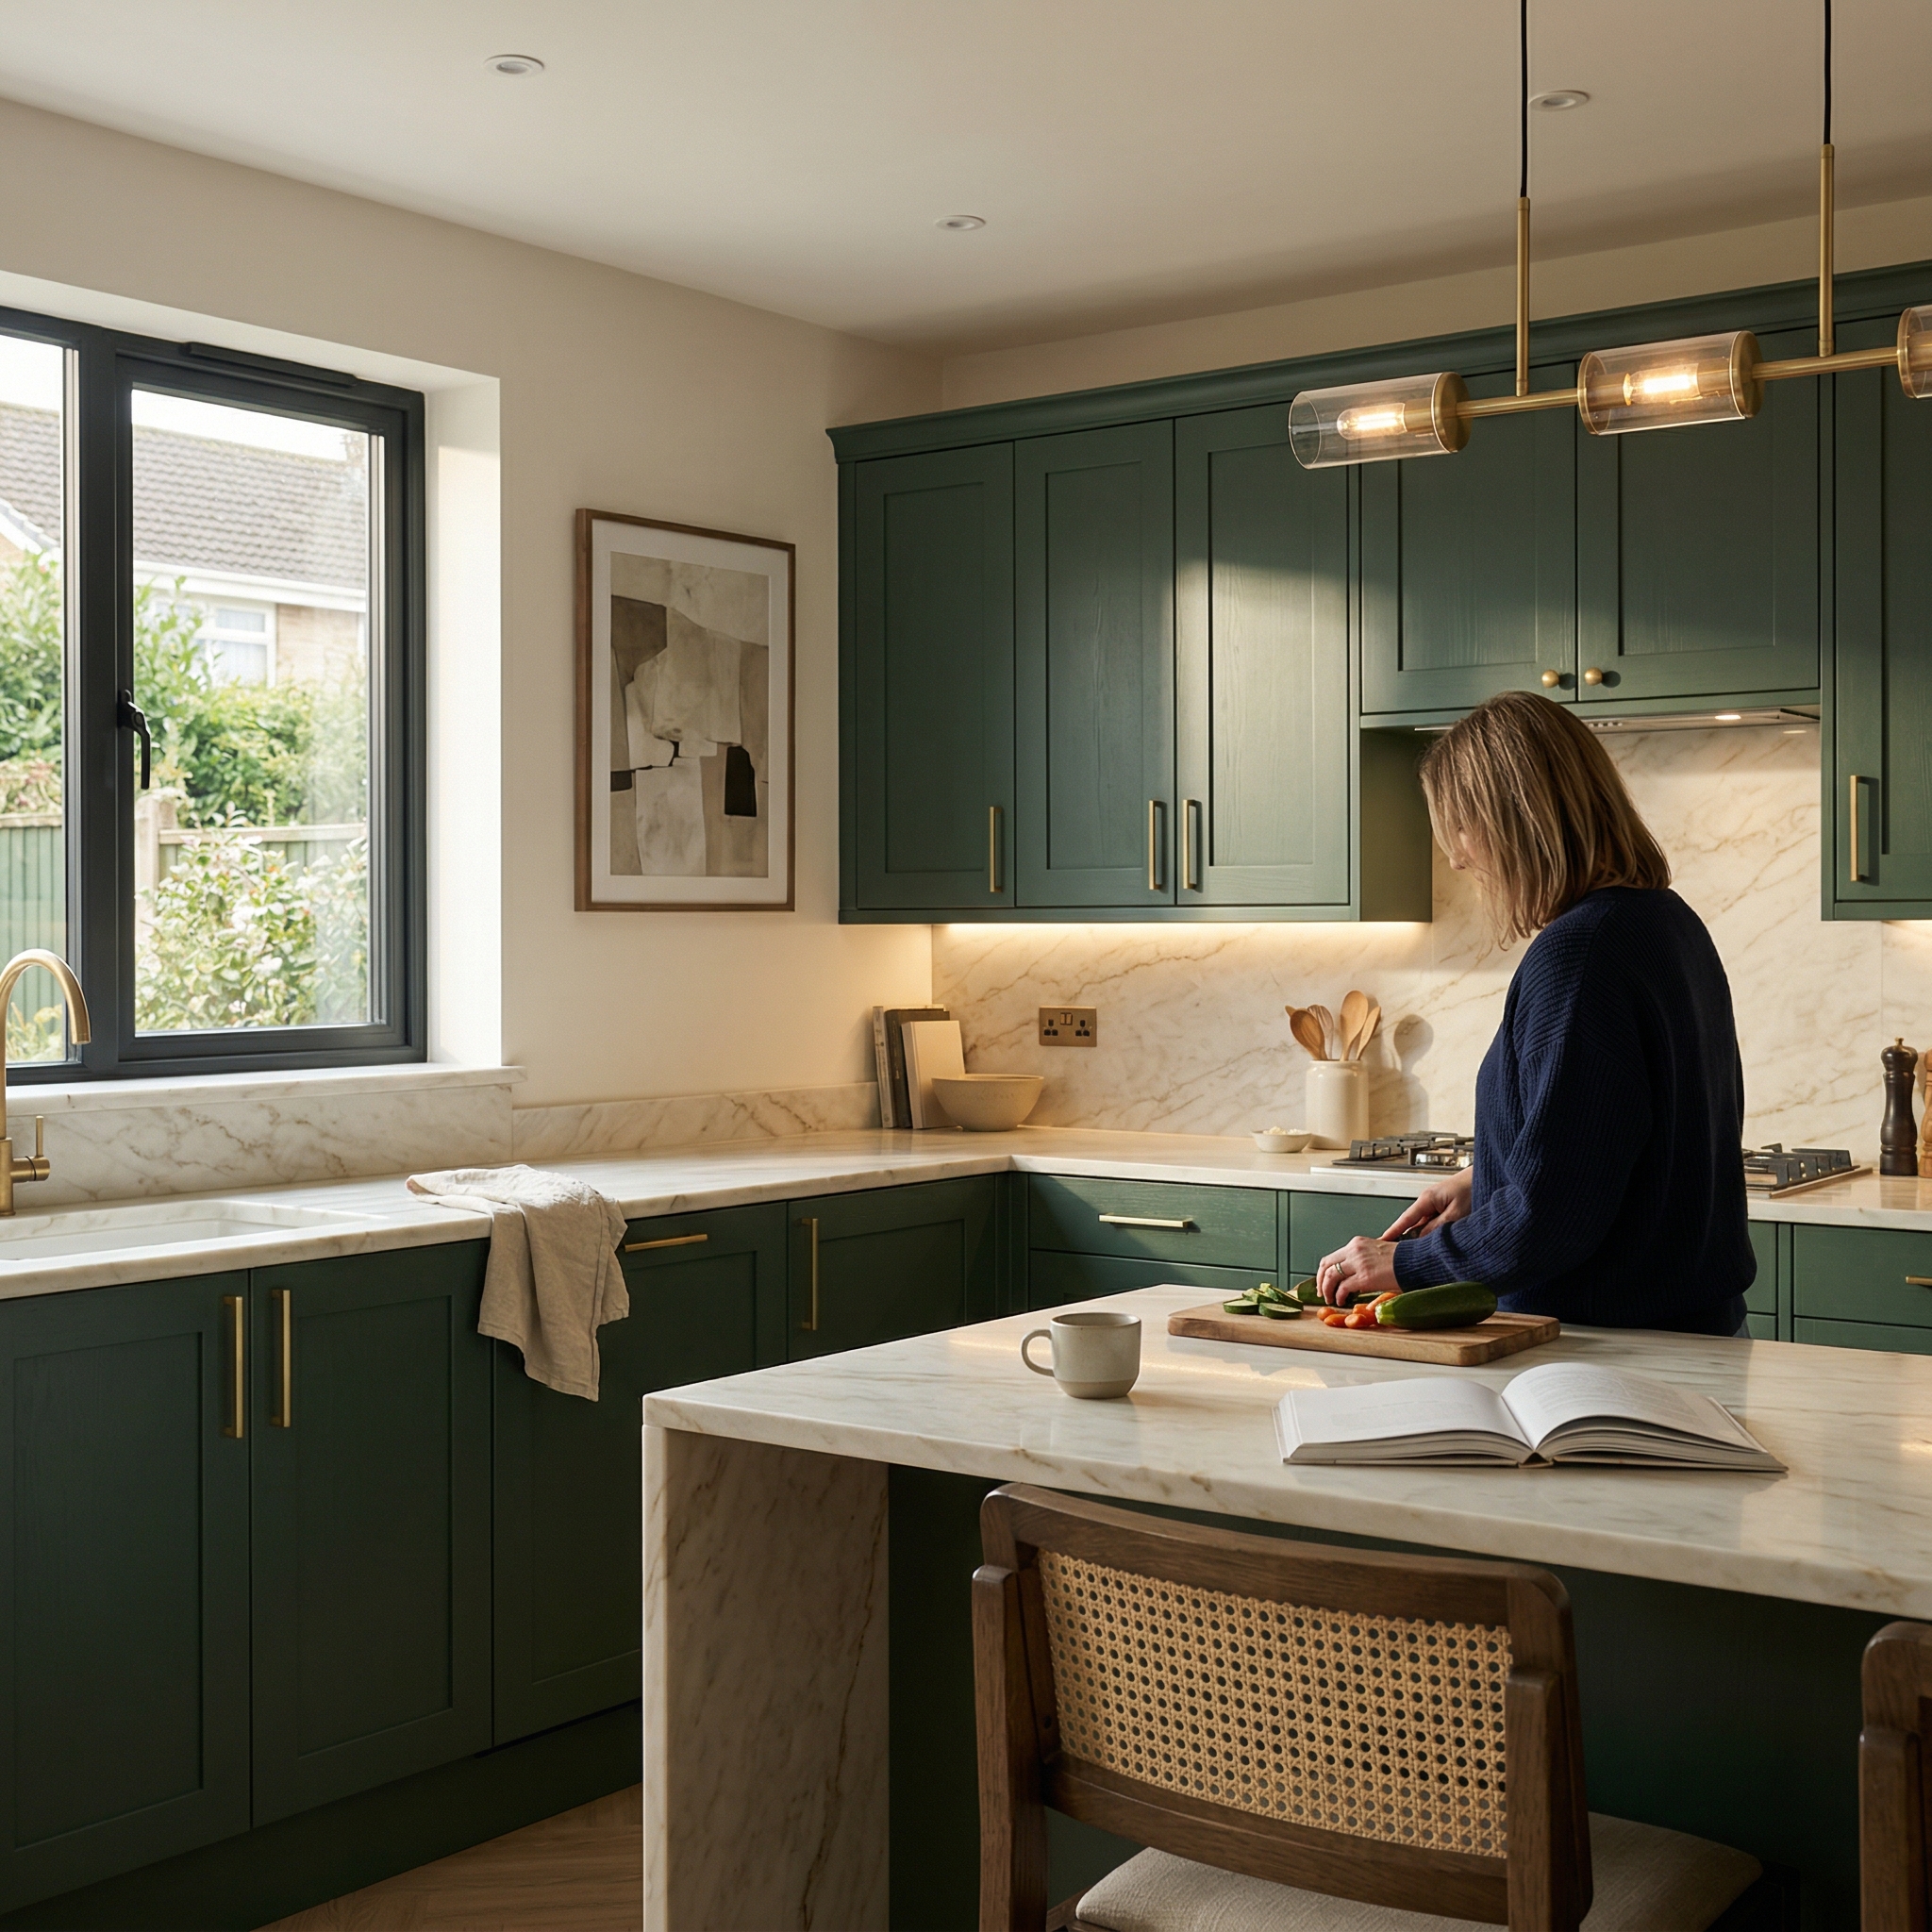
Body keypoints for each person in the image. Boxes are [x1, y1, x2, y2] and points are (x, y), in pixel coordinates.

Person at [1315, 691, 1754, 1336]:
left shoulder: (1579, 955)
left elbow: (1552, 1217)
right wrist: (1482, 1178)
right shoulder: (1664, 921)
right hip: (1691, 1332)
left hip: (1610, 1358)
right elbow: (1611, 1141)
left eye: (1462, 827)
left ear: (1515, 819)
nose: (1459, 857)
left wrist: (1409, 1262)